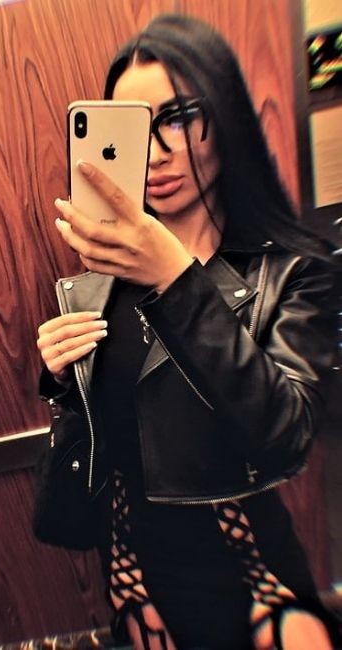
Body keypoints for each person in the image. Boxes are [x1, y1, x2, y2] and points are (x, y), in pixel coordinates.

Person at [35, 13, 341, 650]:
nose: (155, 152)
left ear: (225, 118)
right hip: (137, 579)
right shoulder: (99, 281)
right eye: (135, 128)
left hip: (252, 578)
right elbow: (113, 437)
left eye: (176, 118)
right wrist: (64, 378)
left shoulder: (293, 270)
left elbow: (285, 438)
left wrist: (176, 277)